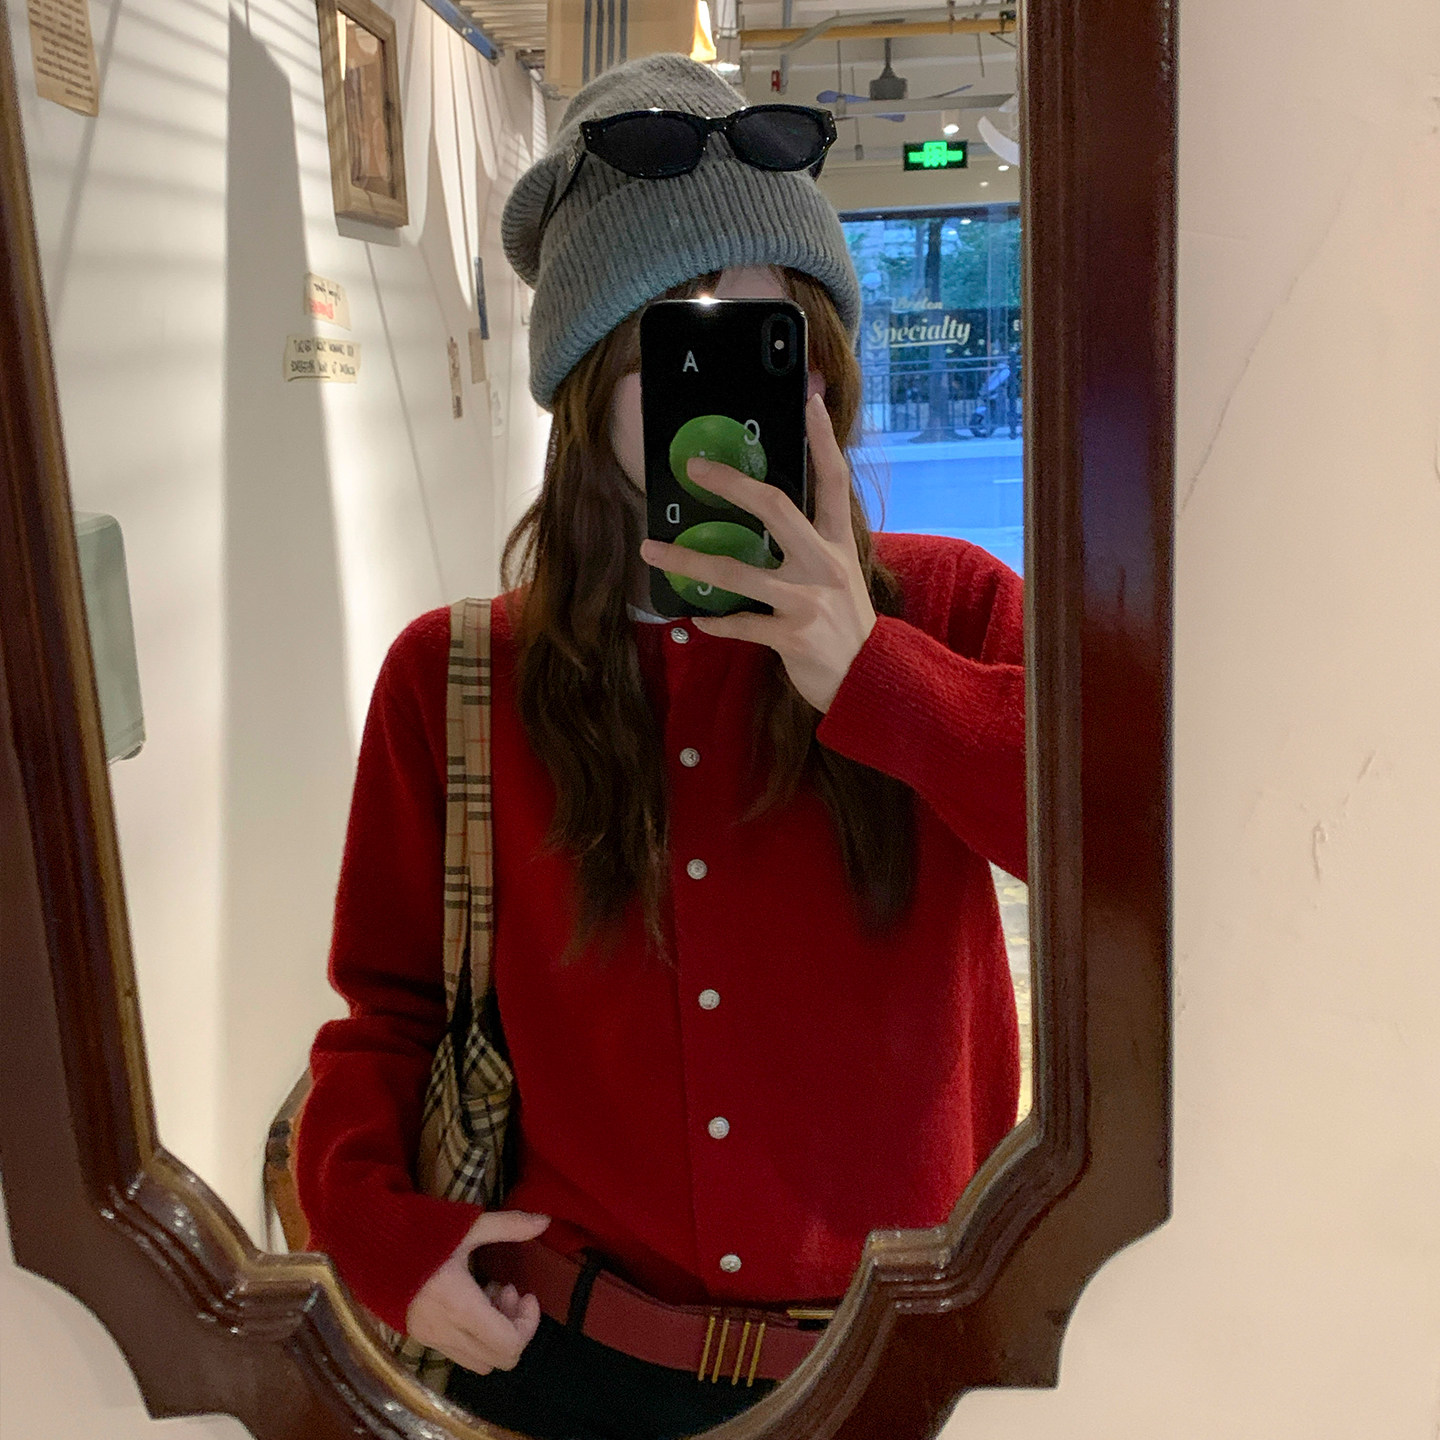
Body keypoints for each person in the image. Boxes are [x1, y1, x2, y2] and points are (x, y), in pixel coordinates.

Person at [295, 52, 1026, 1440]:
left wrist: (874, 675)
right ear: (589, 387)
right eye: (678, 354)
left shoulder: (948, 609)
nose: (732, 408)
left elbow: (1121, 846)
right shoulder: (458, 677)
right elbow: (385, 1015)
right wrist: (378, 1231)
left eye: (772, 349)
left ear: (825, 372)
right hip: (570, 1367)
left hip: (908, 1374)